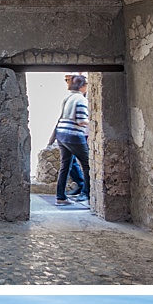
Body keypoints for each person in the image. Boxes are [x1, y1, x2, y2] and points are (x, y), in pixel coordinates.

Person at [52, 74, 91, 208]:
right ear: (83, 86)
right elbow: (81, 121)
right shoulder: (81, 100)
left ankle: (60, 197)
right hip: (73, 135)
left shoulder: (67, 97)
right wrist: (93, 122)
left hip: (61, 134)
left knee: (65, 165)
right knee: (88, 165)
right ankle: (86, 194)